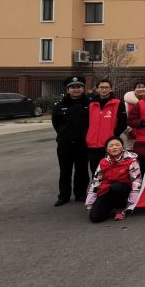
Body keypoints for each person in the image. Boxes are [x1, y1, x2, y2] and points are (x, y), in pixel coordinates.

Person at [51, 76, 91, 206]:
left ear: (83, 88)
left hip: (83, 143)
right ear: (68, 89)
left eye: (78, 87)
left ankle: (80, 194)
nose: (76, 89)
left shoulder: (90, 104)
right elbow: (56, 124)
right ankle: (64, 196)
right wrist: (65, 135)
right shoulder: (59, 105)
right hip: (65, 143)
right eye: (72, 87)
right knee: (65, 170)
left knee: (82, 170)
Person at [84, 137, 142, 223]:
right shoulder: (103, 162)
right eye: (111, 146)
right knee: (95, 217)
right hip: (106, 191)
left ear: (122, 147)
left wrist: (132, 203)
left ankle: (121, 208)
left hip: (123, 190)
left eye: (117, 145)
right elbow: (96, 182)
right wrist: (90, 202)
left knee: (117, 187)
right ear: (107, 150)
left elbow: (136, 182)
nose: (114, 147)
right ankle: (111, 206)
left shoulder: (132, 161)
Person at [85, 79, 128, 177]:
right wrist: (87, 136)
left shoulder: (118, 103)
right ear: (97, 89)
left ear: (111, 89)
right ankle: (96, 187)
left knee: (109, 171)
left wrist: (113, 136)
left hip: (109, 144)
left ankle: (108, 187)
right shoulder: (91, 104)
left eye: (106, 87)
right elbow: (85, 123)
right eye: (101, 87)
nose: (104, 90)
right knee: (95, 171)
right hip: (92, 144)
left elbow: (123, 123)